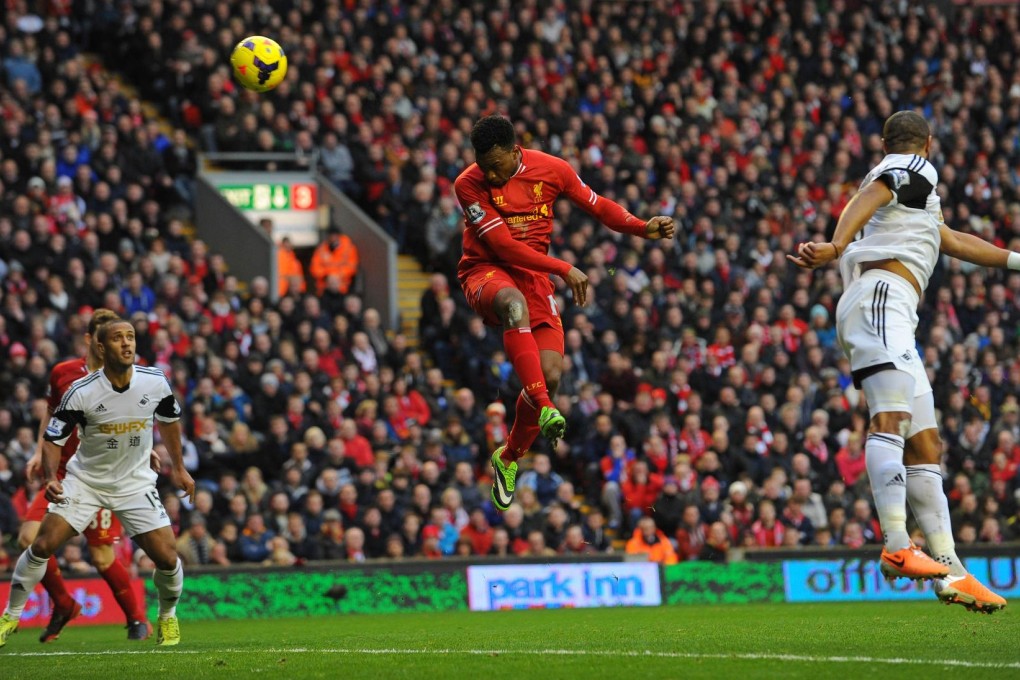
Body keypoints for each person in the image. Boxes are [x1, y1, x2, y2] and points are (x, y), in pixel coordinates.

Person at [790, 111, 1012, 613]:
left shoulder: (917, 201)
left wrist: (1015, 261)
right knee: (890, 419)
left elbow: (953, 241)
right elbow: (878, 190)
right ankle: (895, 543)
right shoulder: (912, 168)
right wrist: (837, 244)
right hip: (881, 298)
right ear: (926, 144)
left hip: (893, 311)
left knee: (925, 444)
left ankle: (952, 571)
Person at [454, 115, 674, 510]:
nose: (489, 172)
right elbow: (503, 247)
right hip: (486, 271)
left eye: (496, 164)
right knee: (513, 306)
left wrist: (643, 228)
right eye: (482, 164)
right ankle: (548, 410)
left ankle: (507, 457)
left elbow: (600, 206)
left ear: (513, 150)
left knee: (550, 375)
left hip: (535, 277)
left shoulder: (552, 169)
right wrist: (564, 267)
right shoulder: (468, 183)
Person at [0, 319, 196, 648]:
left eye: (131, 337)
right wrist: (50, 477)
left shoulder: (154, 381)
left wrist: (179, 468)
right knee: (42, 544)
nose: (127, 343)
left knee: (167, 557)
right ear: (101, 348)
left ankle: (167, 616)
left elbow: (170, 421)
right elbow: (53, 437)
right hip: (86, 482)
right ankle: (10, 616)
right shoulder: (82, 391)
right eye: (118, 338)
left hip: (134, 484)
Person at [19, 309, 152, 642]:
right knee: (29, 540)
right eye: (104, 336)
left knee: (101, 556)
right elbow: (51, 413)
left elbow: (137, 416)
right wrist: (39, 451)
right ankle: (64, 604)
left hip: (105, 473)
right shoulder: (63, 373)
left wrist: (142, 448)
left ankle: (137, 619)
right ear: (91, 339)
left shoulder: (128, 374)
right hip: (64, 472)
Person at [309, 224, 359, 295]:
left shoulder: (349, 248)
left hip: (343, 288)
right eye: (330, 235)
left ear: (339, 236)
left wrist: (337, 276)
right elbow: (314, 267)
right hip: (324, 289)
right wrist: (327, 276)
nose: (332, 238)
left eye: (335, 235)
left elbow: (352, 267)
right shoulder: (321, 249)